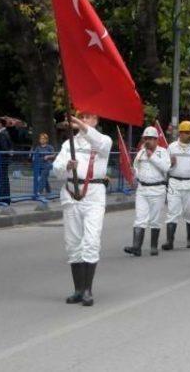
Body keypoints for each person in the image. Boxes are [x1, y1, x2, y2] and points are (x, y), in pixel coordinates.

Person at [53, 112, 112, 307]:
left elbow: (99, 142)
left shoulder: (103, 141)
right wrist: (67, 166)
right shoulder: (69, 143)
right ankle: (78, 289)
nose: (83, 120)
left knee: (91, 240)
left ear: (96, 120)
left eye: (87, 117)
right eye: (80, 116)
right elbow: (57, 169)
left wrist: (79, 123)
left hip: (93, 195)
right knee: (72, 243)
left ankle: (88, 290)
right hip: (71, 194)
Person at [124, 126, 171, 257]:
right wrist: (135, 174)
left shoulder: (163, 152)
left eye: (151, 138)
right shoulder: (140, 153)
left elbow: (166, 167)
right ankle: (136, 247)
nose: (148, 141)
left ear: (157, 140)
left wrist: (152, 157)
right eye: (146, 139)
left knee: (155, 219)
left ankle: (154, 246)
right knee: (140, 218)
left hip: (158, 189)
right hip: (142, 189)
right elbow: (136, 167)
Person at [163, 121, 190, 251]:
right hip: (174, 182)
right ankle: (169, 241)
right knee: (172, 211)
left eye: (189, 133)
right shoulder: (172, 147)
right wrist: (170, 164)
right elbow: (165, 165)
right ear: (180, 133)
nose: (187, 135)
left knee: (189, 211)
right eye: (185, 132)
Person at [0, 117, 13, 205]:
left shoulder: (2, 134)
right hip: (2, 159)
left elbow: (4, 148)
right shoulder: (4, 133)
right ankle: (4, 198)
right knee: (3, 179)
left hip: (2, 159)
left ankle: (3, 198)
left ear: (0, 124)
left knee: (2, 179)